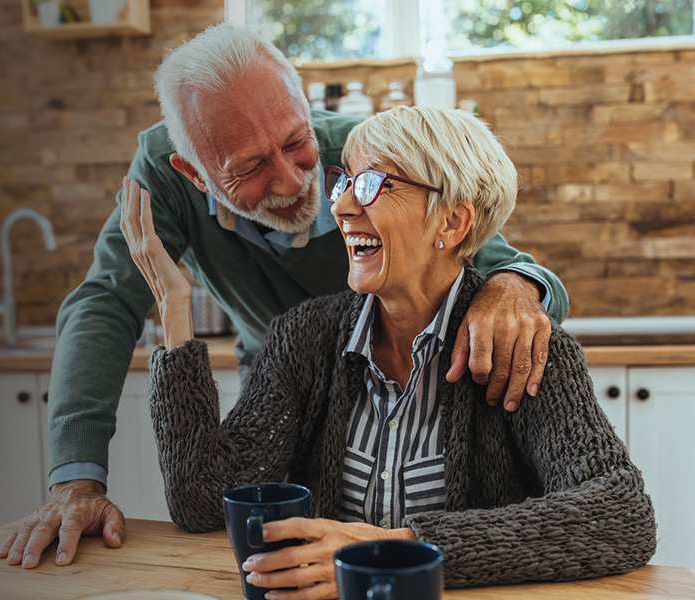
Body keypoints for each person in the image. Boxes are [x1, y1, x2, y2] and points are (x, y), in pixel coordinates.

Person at [0, 23, 569, 569]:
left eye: (297, 142)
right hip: (277, 376)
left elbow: (507, 265)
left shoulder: (363, 159)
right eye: (249, 168)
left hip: (418, 376)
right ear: (194, 175)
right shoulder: (164, 177)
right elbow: (105, 302)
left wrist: (513, 287)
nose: (294, 180)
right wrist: (76, 480)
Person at [128, 105, 655, 597]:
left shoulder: (525, 351)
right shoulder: (303, 339)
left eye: (374, 183)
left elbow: (621, 515)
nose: (342, 206)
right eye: (346, 181)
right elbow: (204, 498)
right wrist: (176, 310)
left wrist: (394, 550)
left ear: (451, 222)